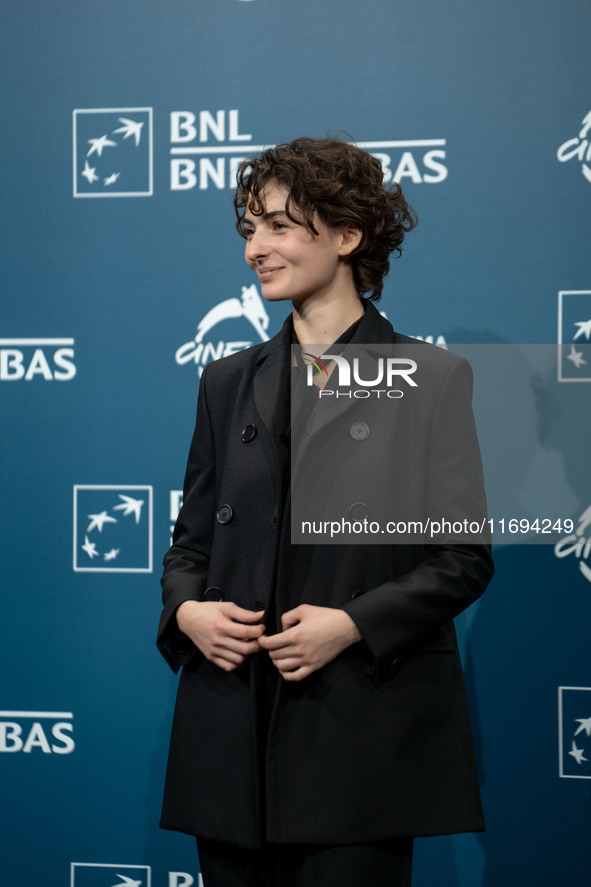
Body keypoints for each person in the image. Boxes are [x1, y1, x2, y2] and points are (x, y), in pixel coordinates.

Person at [157, 137, 494, 887]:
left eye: (279, 225)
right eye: (248, 228)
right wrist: (187, 613)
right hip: (230, 727)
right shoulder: (224, 382)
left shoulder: (431, 378)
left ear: (347, 236)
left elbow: (462, 558)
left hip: (355, 732)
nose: (256, 248)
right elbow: (189, 545)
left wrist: (351, 623)